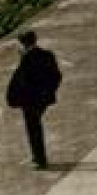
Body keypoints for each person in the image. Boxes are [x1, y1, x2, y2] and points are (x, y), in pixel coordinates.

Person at [6, 30, 61, 170]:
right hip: (44, 98)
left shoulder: (26, 59)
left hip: (30, 101)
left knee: (33, 128)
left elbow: (22, 82)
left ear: (23, 44)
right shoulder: (47, 55)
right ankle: (37, 156)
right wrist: (49, 91)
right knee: (35, 126)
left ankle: (39, 159)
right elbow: (57, 75)